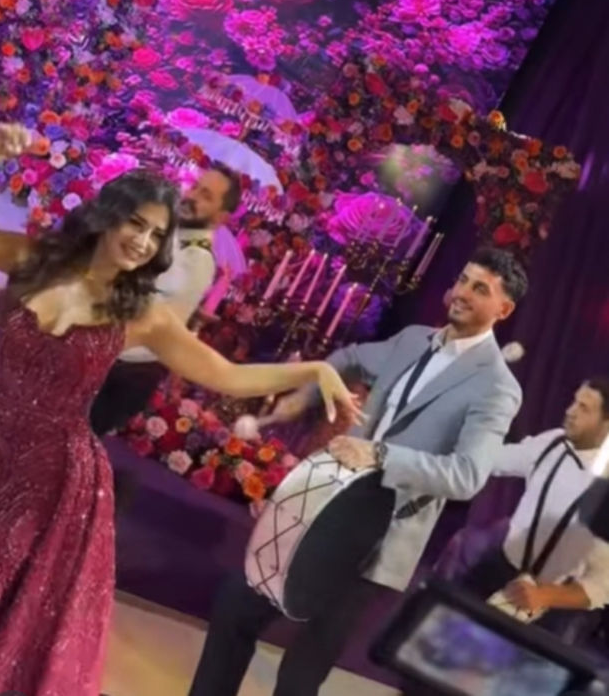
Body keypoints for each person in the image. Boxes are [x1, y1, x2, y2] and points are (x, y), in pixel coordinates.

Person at [0, 122, 360, 696]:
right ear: (107, 215)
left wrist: (314, 370)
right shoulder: (34, 259)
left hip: (50, 477)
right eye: (136, 224)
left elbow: (225, 375)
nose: (143, 241)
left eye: (156, 234)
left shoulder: (144, 315)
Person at [189, 246, 529, 696]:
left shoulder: (497, 387)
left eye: (480, 288)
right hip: (330, 510)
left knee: (300, 675)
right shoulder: (413, 339)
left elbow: (466, 475)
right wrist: (308, 395)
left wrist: (380, 455)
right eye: (463, 279)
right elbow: (347, 358)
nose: (463, 292)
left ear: (503, 310)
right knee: (237, 605)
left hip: (380, 542)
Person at [90, 163, 242, 437]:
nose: (191, 196)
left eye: (206, 195)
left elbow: (147, 324)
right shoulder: (166, 232)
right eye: (195, 187)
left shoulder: (197, 259)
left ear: (221, 217)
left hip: (117, 371)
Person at [454, 377, 609, 626]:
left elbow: (601, 585)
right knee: (435, 630)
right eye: (574, 401)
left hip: (552, 603)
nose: (570, 411)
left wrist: (544, 595)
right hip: (499, 571)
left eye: (584, 408)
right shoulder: (554, 442)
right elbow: (495, 459)